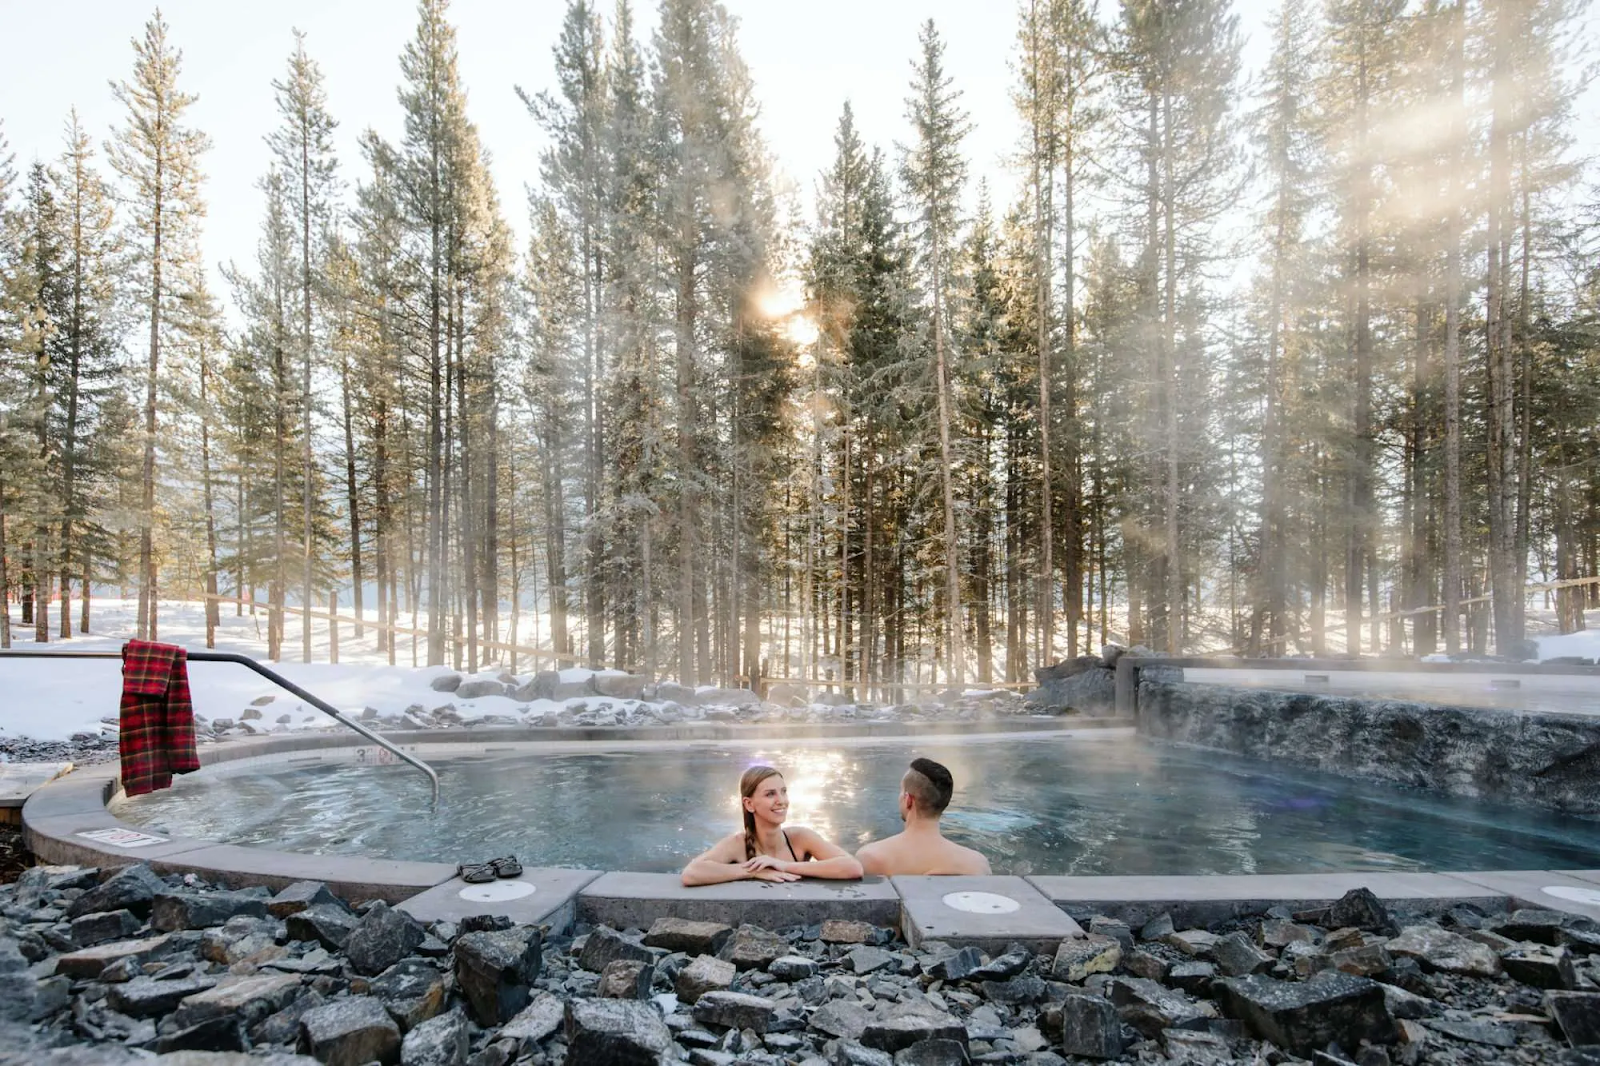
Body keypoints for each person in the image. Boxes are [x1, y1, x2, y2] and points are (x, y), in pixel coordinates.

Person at [681, 764, 864, 886]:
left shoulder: (800, 838)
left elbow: (853, 867)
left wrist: (782, 865)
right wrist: (753, 872)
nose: (781, 801)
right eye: (770, 794)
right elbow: (691, 873)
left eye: (783, 792)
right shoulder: (738, 844)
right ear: (749, 804)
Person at [855, 757, 991, 876]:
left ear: (908, 799)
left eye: (901, 791)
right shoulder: (978, 864)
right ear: (944, 802)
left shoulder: (872, 858)